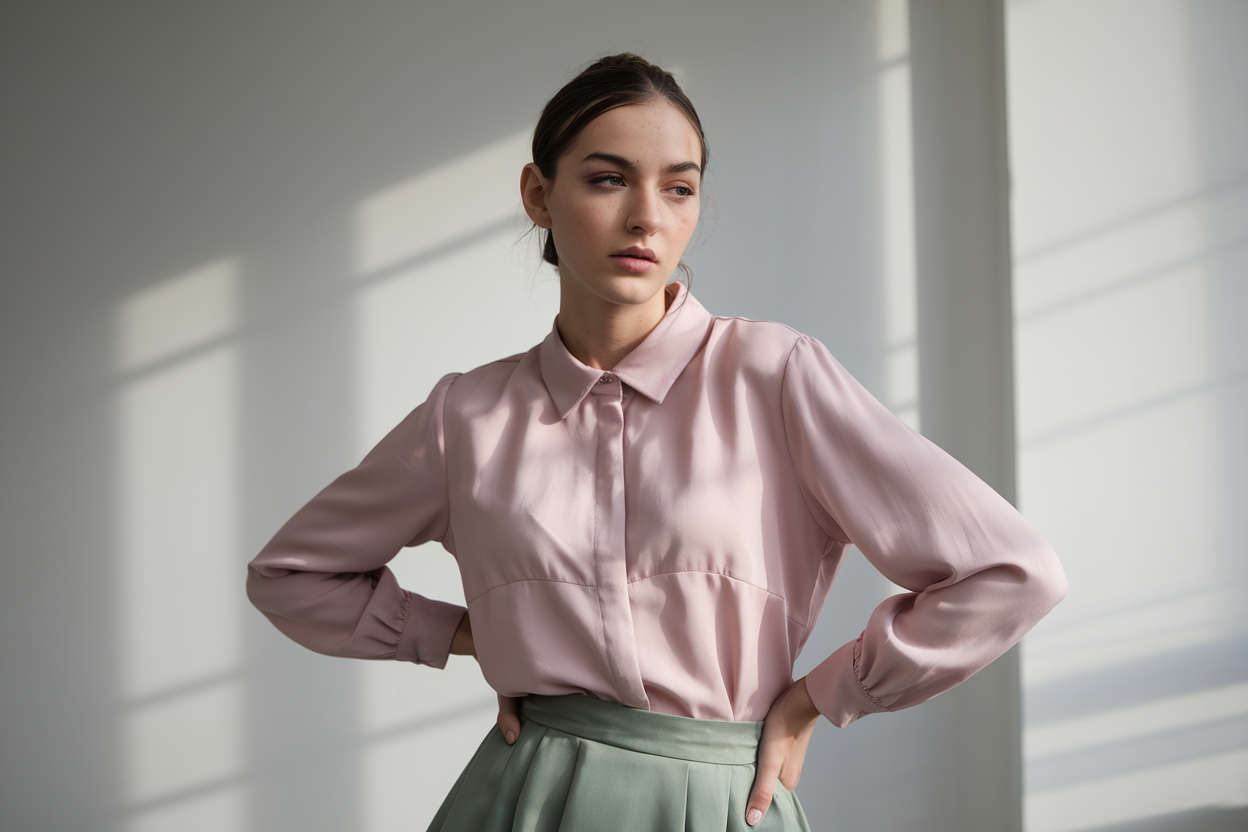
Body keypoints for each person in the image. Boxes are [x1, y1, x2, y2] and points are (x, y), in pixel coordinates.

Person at [247, 53, 1066, 831]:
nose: (647, 216)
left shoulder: (776, 375)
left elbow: (1011, 571)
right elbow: (291, 576)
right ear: (538, 194)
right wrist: (488, 634)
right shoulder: (468, 414)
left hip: (718, 800)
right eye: (608, 179)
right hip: (525, 796)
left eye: (679, 189)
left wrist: (822, 693)